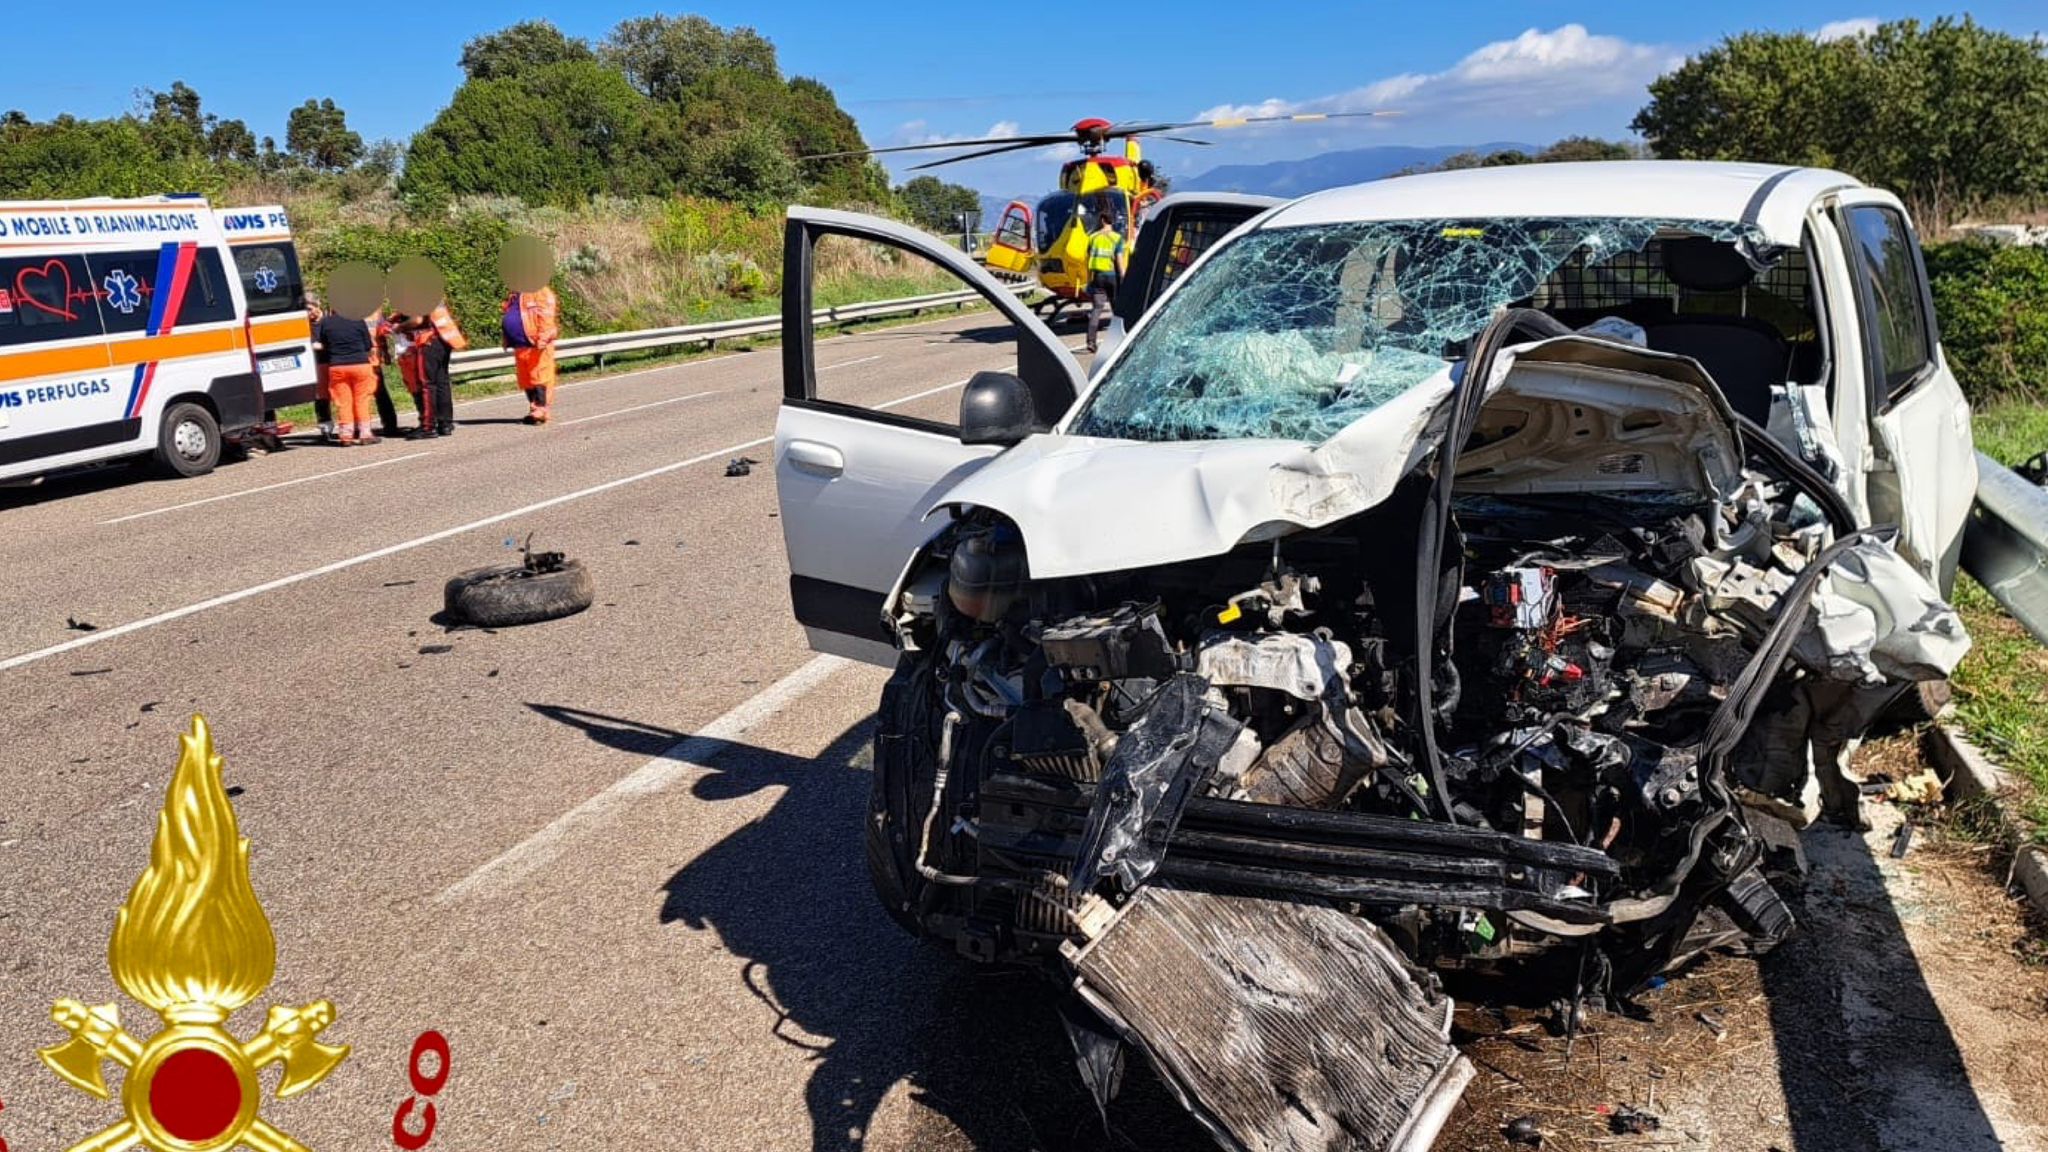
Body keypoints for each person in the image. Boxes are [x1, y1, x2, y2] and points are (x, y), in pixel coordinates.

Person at [395, 302, 467, 439]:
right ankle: (445, 423)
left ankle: (427, 426)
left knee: (427, 384)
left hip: (429, 340)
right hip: (444, 338)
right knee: (441, 381)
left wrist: (399, 327)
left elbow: (417, 320)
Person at [313, 305, 380, 445]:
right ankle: (365, 434)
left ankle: (346, 435)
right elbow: (368, 345)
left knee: (343, 402)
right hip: (360, 364)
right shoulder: (358, 320)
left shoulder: (326, 322)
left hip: (337, 366)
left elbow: (324, 344)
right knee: (361, 399)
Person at [503, 283, 560, 424]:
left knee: (540, 376)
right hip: (520, 344)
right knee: (525, 380)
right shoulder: (515, 294)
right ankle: (535, 408)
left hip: (535, 343)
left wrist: (544, 337)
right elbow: (512, 315)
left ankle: (541, 409)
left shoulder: (539, 291)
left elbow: (546, 315)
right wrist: (506, 337)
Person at [1085, 208, 1125, 354]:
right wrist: (1124, 278)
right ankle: (1120, 341)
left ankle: (1091, 342)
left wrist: (1088, 279)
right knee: (1117, 310)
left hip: (1097, 276)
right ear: (1112, 221)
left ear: (1102, 220)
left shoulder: (1093, 237)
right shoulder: (1117, 238)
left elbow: (1088, 259)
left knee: (1096, 309)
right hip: (1112, 277)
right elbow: (1119, 261)